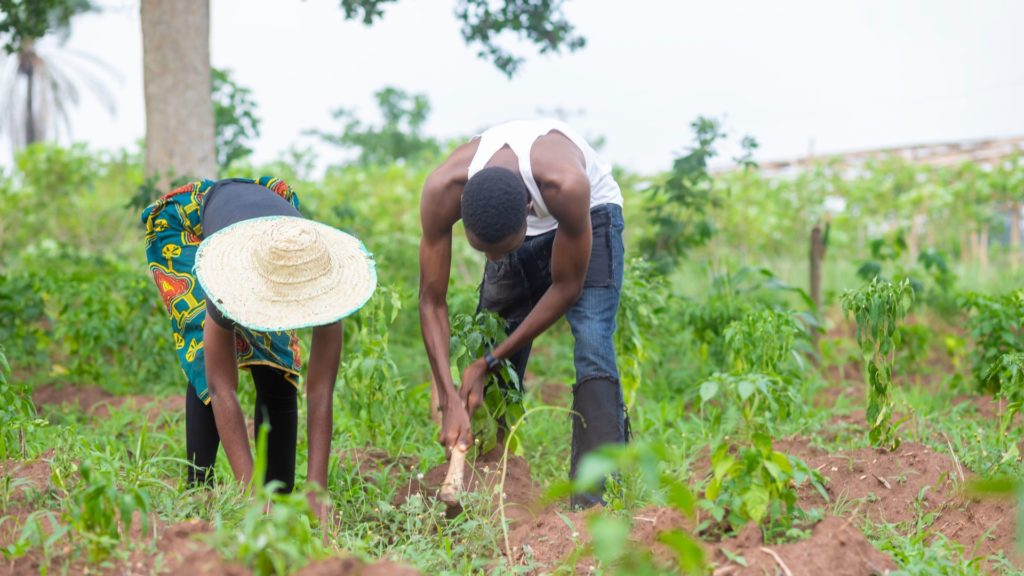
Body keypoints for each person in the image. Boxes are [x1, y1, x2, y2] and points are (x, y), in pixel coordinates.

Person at [419, 119, 627, 509]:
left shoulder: (568, 186)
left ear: (529, 211)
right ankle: (490, 475)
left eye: (500, 250)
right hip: (518, 216)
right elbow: (431, 300)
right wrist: (448, 395)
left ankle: (596, 499)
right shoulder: (442, 189)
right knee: (492, 332)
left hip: (590, 214)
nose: (493, 259)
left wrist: (489, 362)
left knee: (593, 337)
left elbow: (566, 287)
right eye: (484, 252)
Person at [141, 177, 375, 516]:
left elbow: (321, 390)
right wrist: (250, 493)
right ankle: (199, 488)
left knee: (278, 358)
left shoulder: (322, 276)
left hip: (274, 235)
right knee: (203, 353)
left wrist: (318, 488)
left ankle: (278, 494)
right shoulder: (228, 277)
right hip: (189, 226)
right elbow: (221, 388)